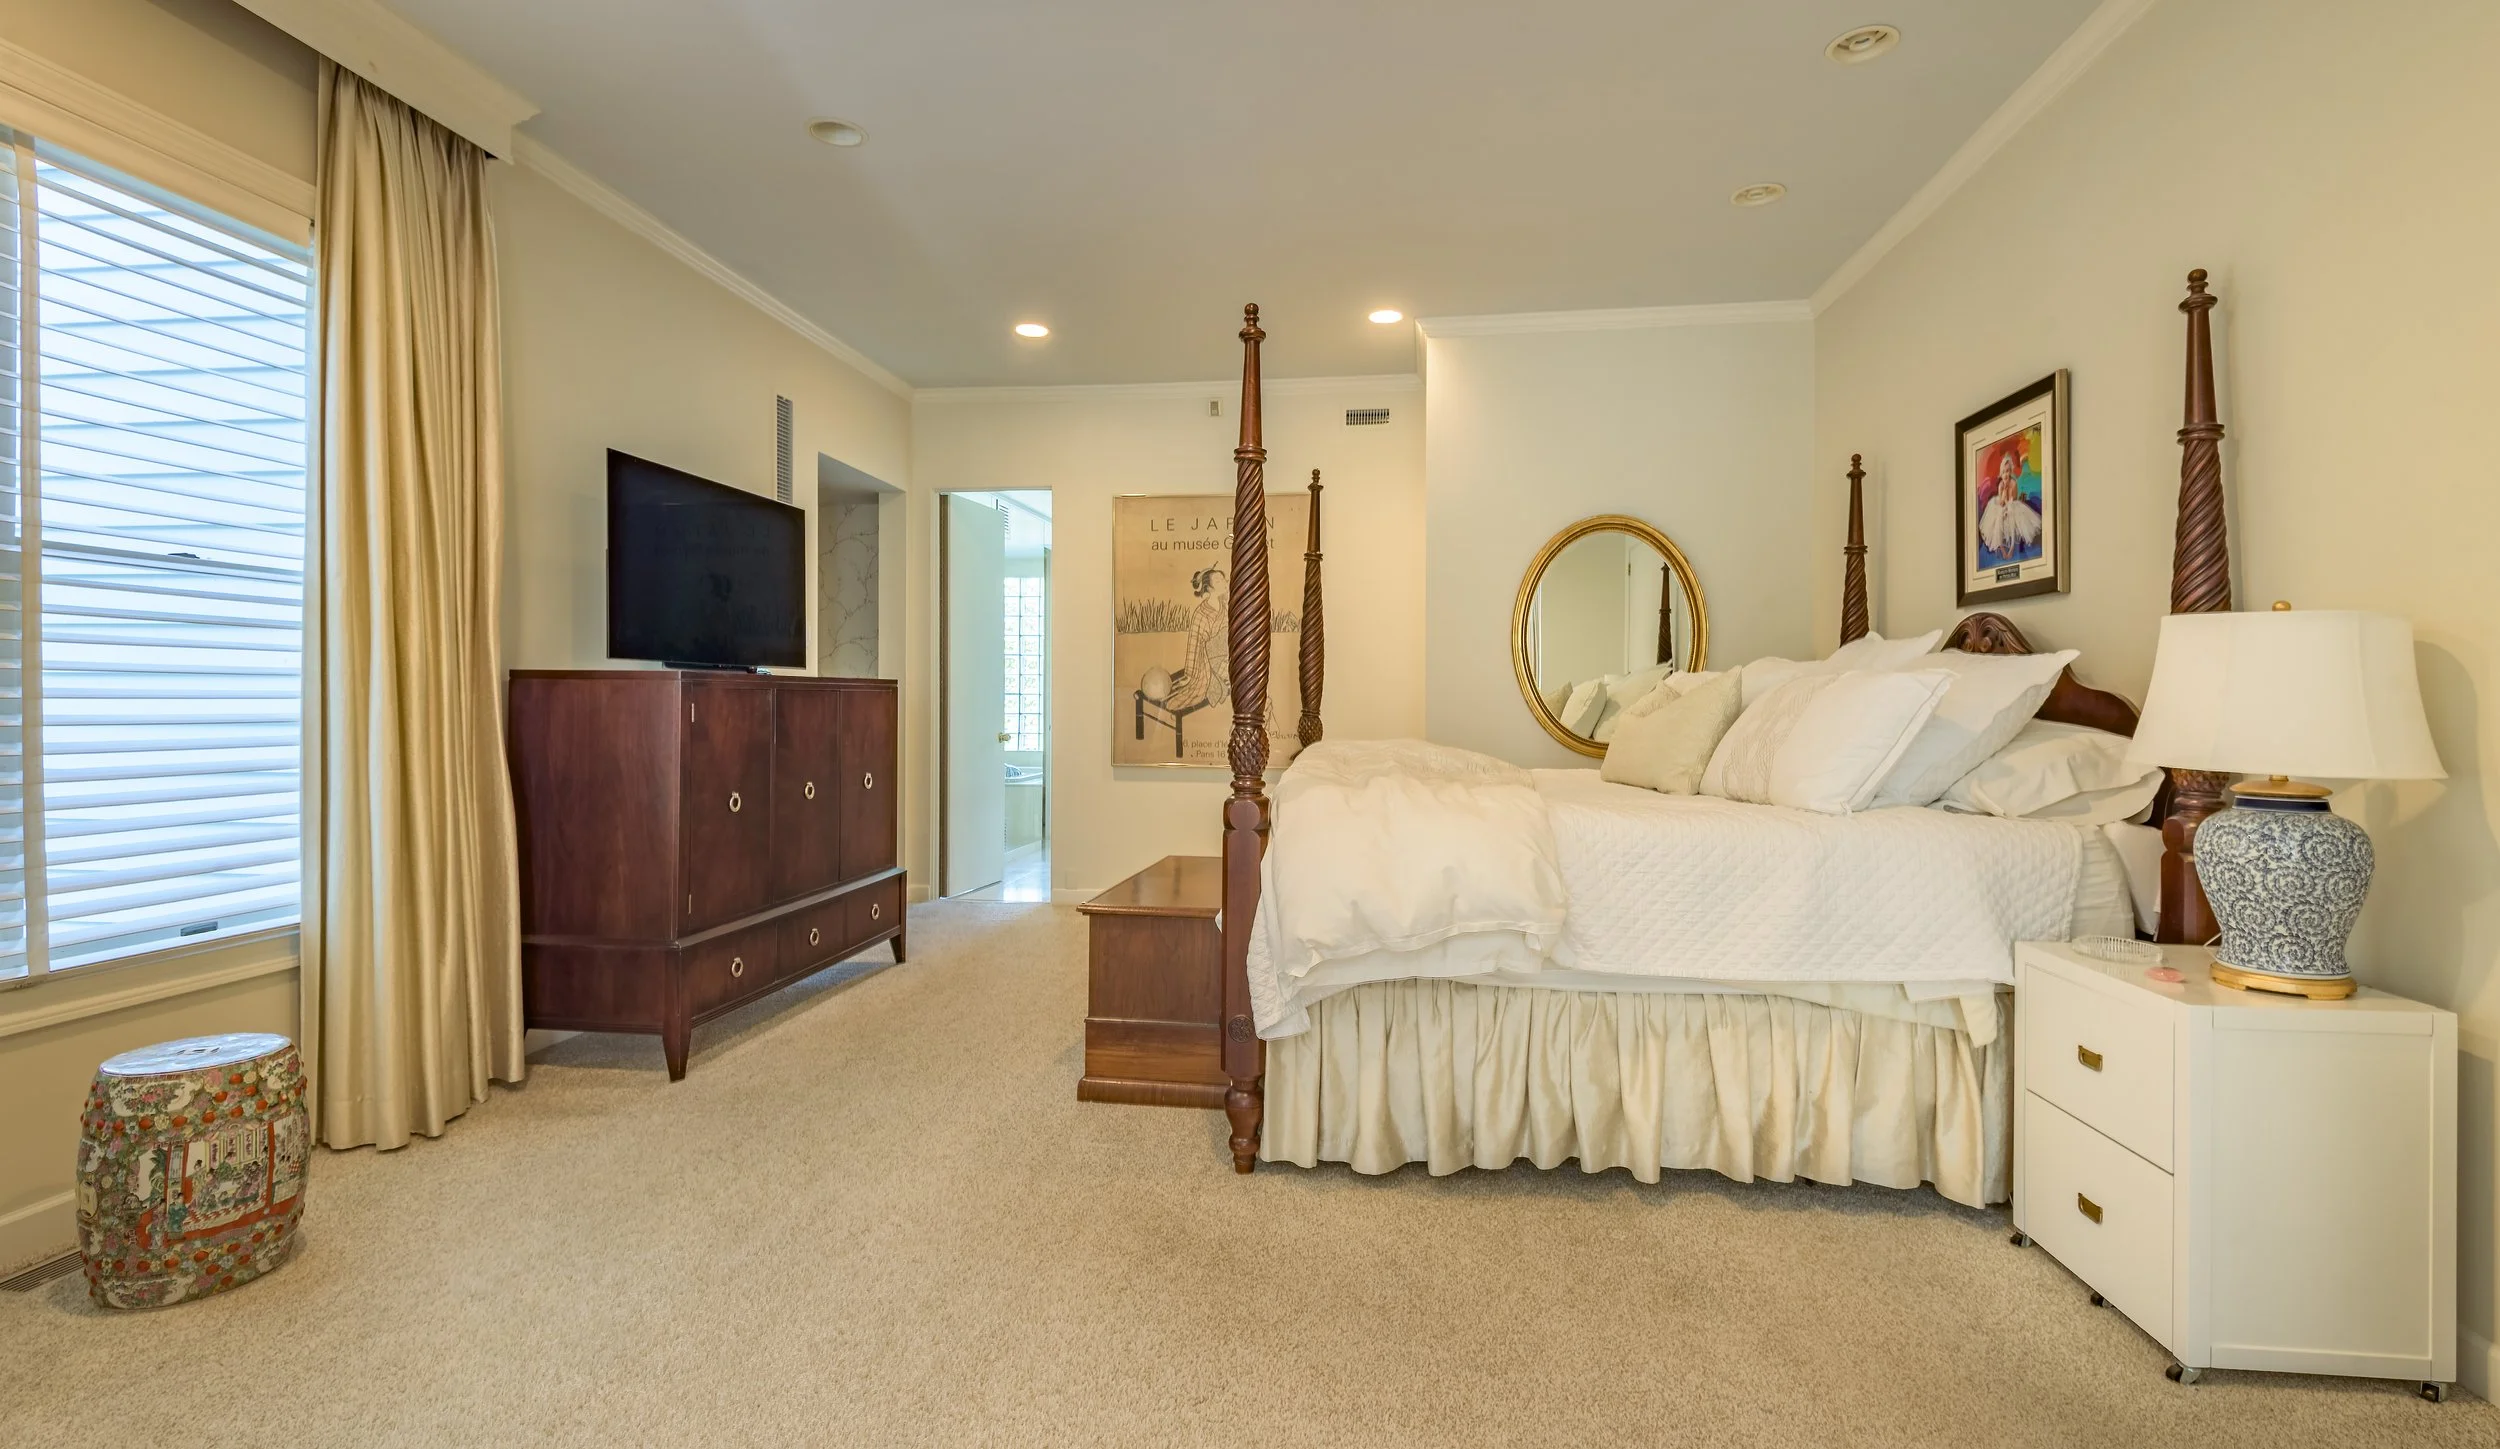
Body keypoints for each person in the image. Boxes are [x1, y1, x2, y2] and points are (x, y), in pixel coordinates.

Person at [1162, 566, 1230, 712]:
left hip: (1225, 656)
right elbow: (1194, 645)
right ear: (1209, 588)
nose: (1224, 582)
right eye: (1218, 580)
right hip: (1206, 662)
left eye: (1223, 578)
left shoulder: (1225, 606)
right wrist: (1190, 675)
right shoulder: (1201, 614)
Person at [1978, 446, 2043, 565]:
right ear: (2001, 474)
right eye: (2004, 472)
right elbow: (2002, 502)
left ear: (2011, 472)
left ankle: (2012, 547)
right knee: (1998, 517)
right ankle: (2002, 549)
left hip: (2012, 504)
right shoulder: (2001, 485)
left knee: (2012, 516)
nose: (2006, 474)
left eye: (2008, 471)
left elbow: (2013, 500)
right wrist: (2003, 493)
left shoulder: (2013, 483)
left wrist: (2008, 506)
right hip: (2002, 504)